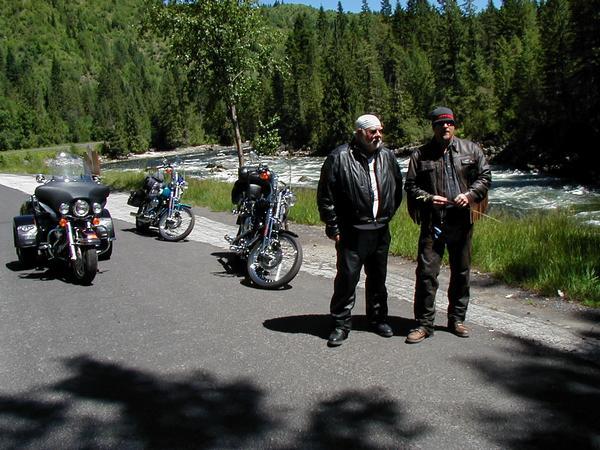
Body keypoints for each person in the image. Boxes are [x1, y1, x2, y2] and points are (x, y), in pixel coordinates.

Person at [404, 106, 491, 344]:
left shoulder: (471, 149)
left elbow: (485, 177)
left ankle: (457, 320)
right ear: (433, 127)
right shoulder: (420, 155)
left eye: (449, 123)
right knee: (426, 274)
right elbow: (411, 187)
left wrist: (471, 195)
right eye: (440, 123)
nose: (445, 126)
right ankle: (423, 324)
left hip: (462, 222)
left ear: (454, 125)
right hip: (434, 222)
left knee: (461, 273)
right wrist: (429, 198)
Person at [317, 114, 403, 347]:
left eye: (379, 131)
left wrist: (386, 216)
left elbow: (397, 189)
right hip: (351, 231)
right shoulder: (339, 157)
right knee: (347, 280)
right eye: (372, 131)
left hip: (380, 230)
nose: (377, 135)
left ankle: (377, 319)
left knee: (378, 279)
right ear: (358, 132)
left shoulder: (387, 156)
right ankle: (340, 324)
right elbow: (326, 195)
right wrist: (333, 226)